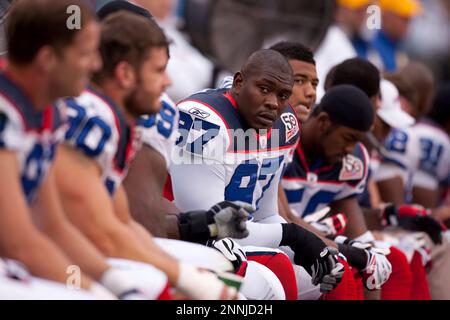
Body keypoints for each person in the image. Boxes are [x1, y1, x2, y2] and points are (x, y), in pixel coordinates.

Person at [53, 10, 239, 300]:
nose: (167, 82)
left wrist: (193, 241)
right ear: (125, 73)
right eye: (158, 70)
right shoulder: (92, 118)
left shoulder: (116, 118)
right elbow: (95, 229)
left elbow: (121, 219)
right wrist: (181, 277)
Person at [170, 48, 347, 299]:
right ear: (239, 82)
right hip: (190, 240)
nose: (273, 103)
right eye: (264, 89)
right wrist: (294, 236)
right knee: (277, 268)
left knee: (334, 270)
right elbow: (209, 228)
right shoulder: (203, 121)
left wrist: (313, 248)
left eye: (283, 95)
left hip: (238, 239)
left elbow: (266, 214)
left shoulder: (283, 123)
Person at [0, 0, 124, 298]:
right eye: (85, 53)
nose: (96, 64)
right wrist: (94, 290)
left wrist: (114, 282)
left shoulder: (51, 111)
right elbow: (18, 242)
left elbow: (52, 227)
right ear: (46, 58)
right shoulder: (6, 111)